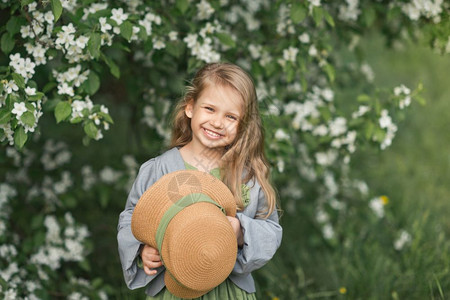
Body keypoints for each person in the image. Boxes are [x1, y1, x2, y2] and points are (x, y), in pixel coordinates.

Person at [117, 62, 282, 299]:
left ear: (243, 124)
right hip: (173, 287)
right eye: (210, 109)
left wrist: (242, 231)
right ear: (190, 107)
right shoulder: (160, 169)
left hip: (229, 291)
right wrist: (143, 248)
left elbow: (271, 229)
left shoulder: (247, 177)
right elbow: (133, 217)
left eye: (231, 116)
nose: (217, 122)